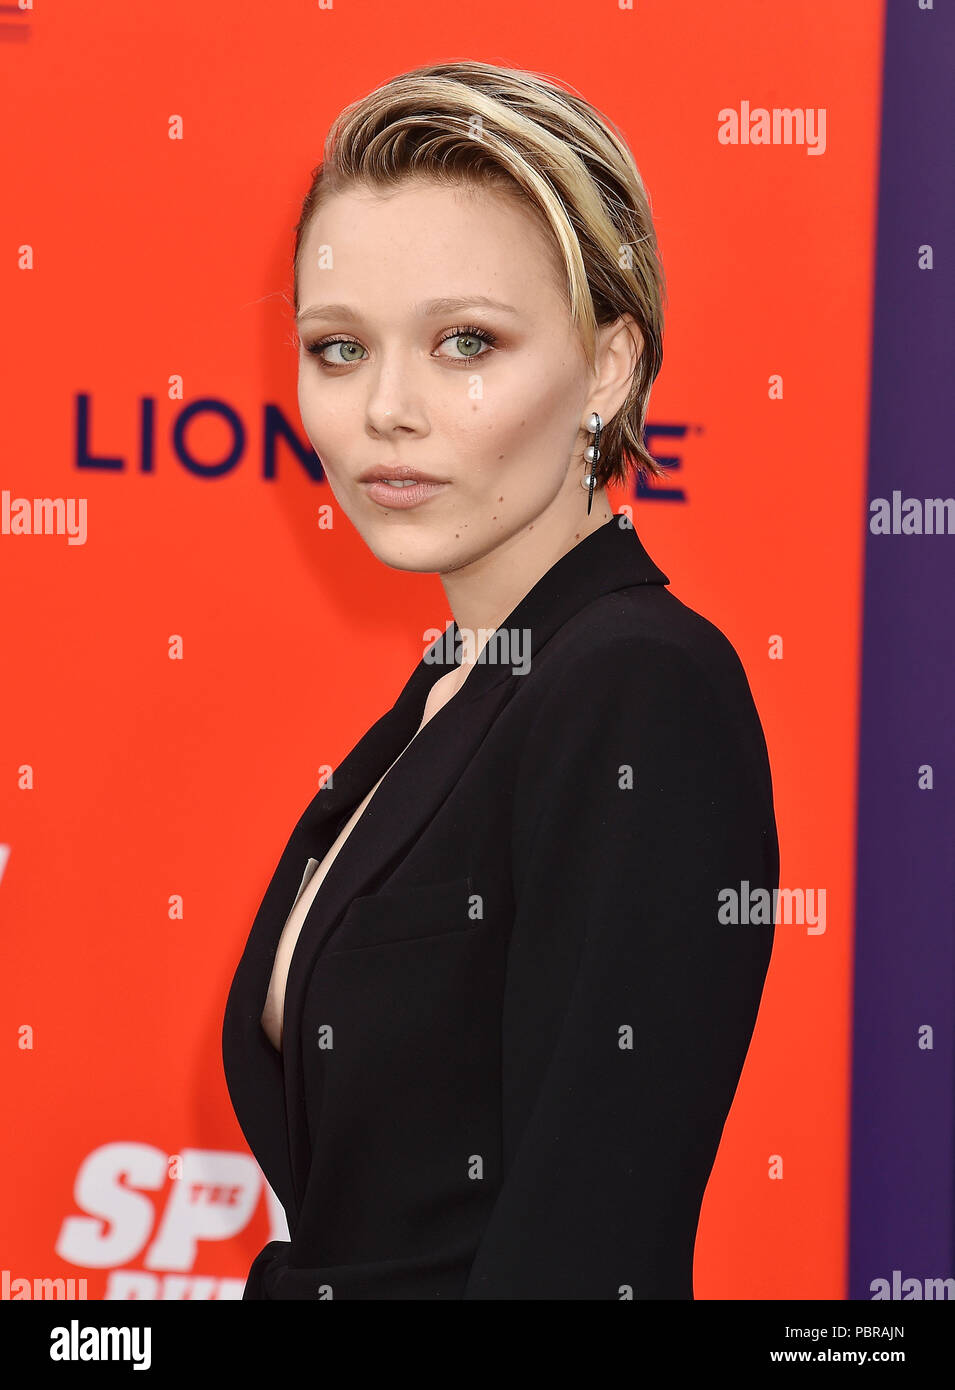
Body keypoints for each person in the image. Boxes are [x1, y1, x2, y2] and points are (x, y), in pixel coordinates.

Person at [221, 60, 779, 1299]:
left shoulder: (639, 688)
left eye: (466, 341)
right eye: (337, 347)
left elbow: (585, 1251)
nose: (386, 409)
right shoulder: (452, 694)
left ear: (607, 368)